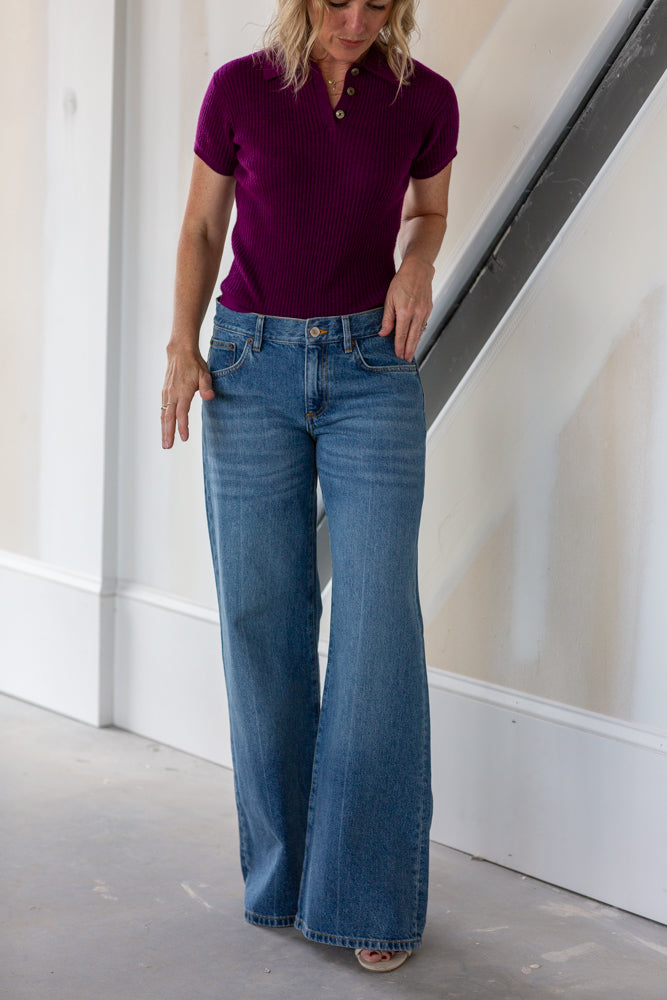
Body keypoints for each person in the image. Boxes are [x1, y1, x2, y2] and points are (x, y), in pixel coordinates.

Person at [161, 0, 458, 974]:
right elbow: (203, 226)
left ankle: (371, 891)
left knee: (377, 618)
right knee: (262, 616)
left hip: (372, 368)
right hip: (249, 366)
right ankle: (289, 874)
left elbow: (430, 210)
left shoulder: (425, 100)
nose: (356, 19)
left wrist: (416, 265)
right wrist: (181, 343)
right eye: (337, 1)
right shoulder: (238, 91)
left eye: (380, 5)